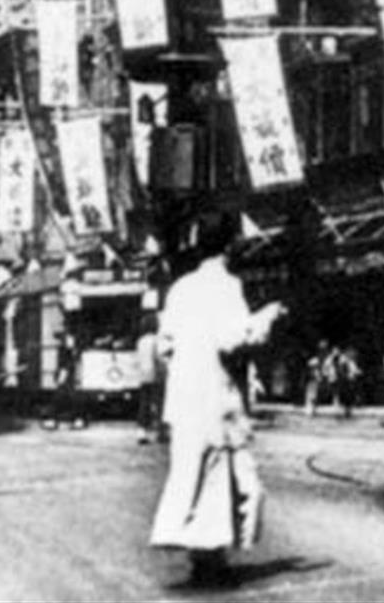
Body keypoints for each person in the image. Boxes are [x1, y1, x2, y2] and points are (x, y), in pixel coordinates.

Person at [149, 212, 286, 586]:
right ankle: (210, 561)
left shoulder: (179, 288)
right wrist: (266, 317)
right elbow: (234, 339)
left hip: (184, 398)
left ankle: (205, 558)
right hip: (215, 397)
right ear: (229, 245)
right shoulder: (227, 286)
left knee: (195, 475)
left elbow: (165, 346)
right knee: (227, 478)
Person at [135, 310, 162, 444]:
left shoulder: (141, 341)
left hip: (143, 375)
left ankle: (141, 432)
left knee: (144, 404)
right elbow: (158, 358)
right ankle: (161, 432)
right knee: (159, 403)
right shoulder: (156, 340)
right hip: (155, 375)